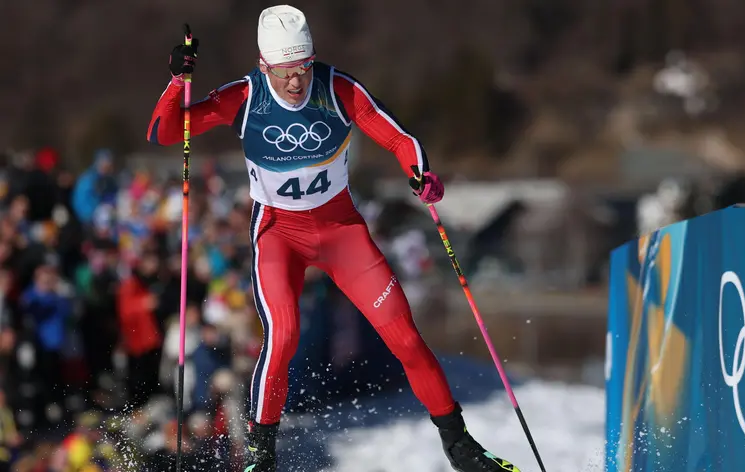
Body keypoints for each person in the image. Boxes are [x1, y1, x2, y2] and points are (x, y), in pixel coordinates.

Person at [146, 5, 520, 472]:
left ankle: (461, 446)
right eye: (284, 72)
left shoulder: (337, 88)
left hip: (340, 231)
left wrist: (421, 174)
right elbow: (164, 131)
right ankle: (261, 457)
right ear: (265, 66)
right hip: (279, 233)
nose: (296, 82)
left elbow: (400, 138)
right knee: (282, 335)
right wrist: (177, 83)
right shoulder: (244, 97)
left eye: (303, 68)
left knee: (404, 336)